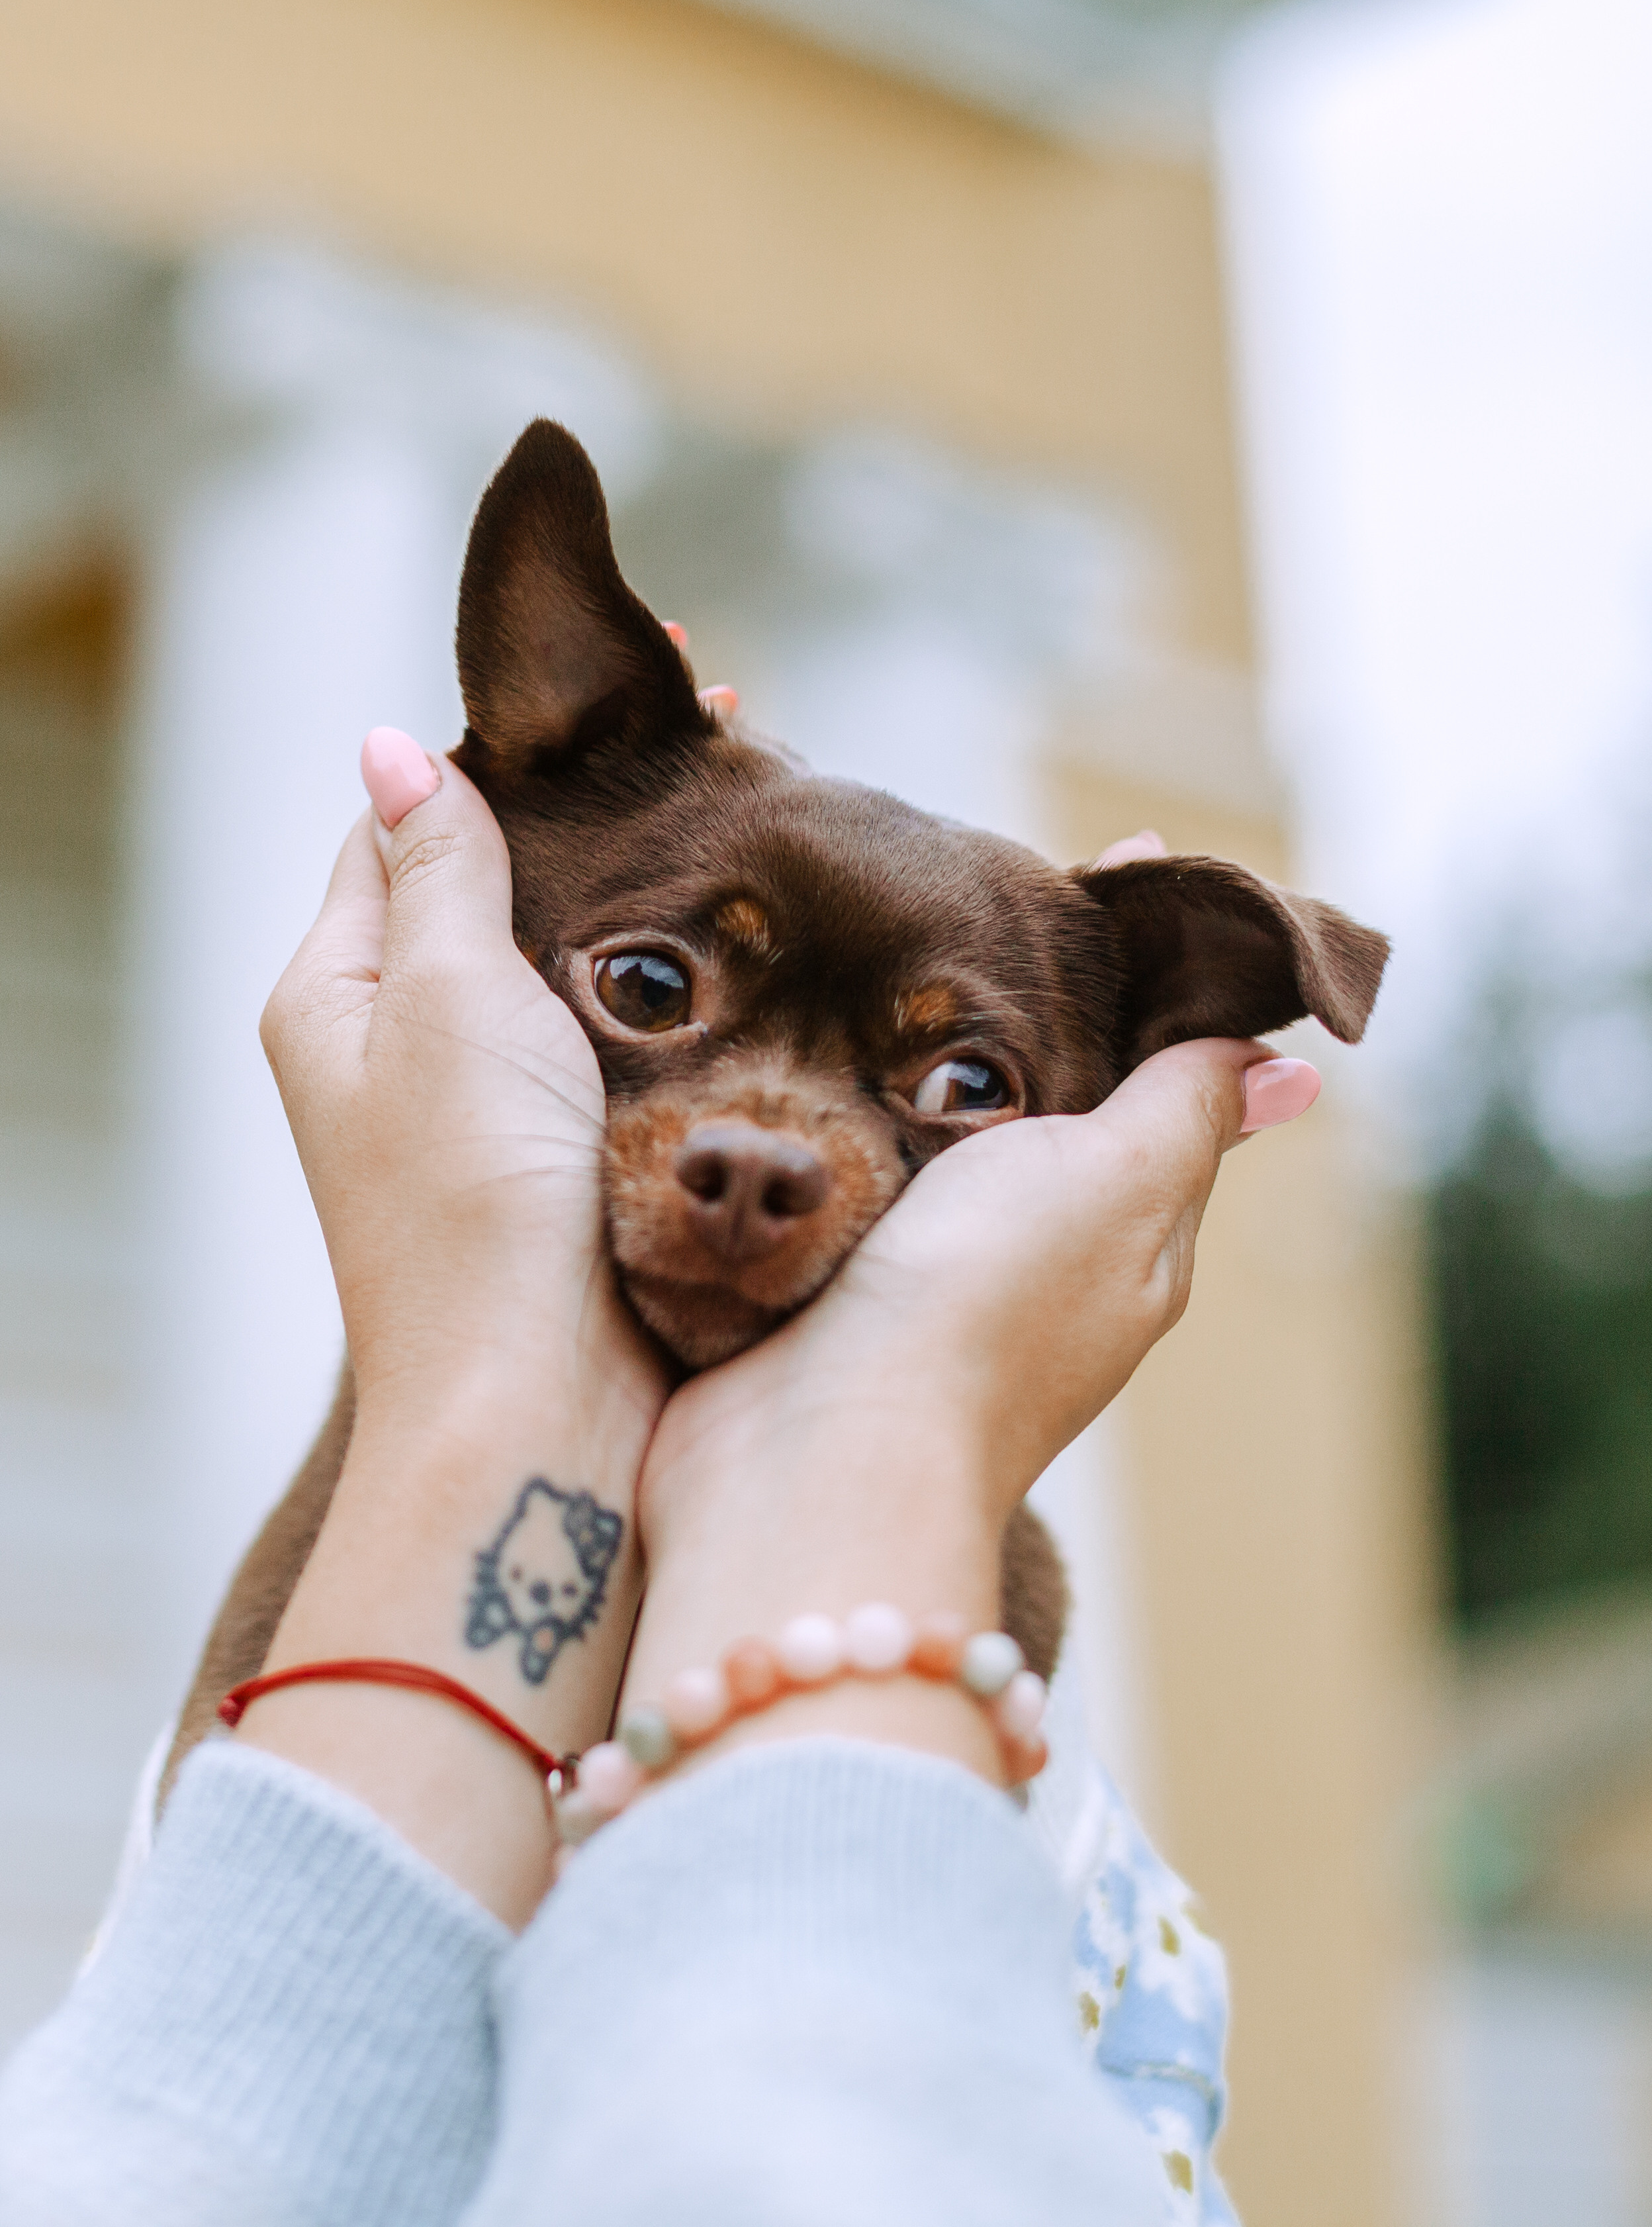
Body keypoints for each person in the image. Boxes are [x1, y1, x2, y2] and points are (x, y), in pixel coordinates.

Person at [0, 732, 1320, 2227]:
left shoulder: (1062, 1860)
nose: (762, 1145)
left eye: (967, 1081)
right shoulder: (937, 1785)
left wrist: (878, 1410)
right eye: (650, 988)